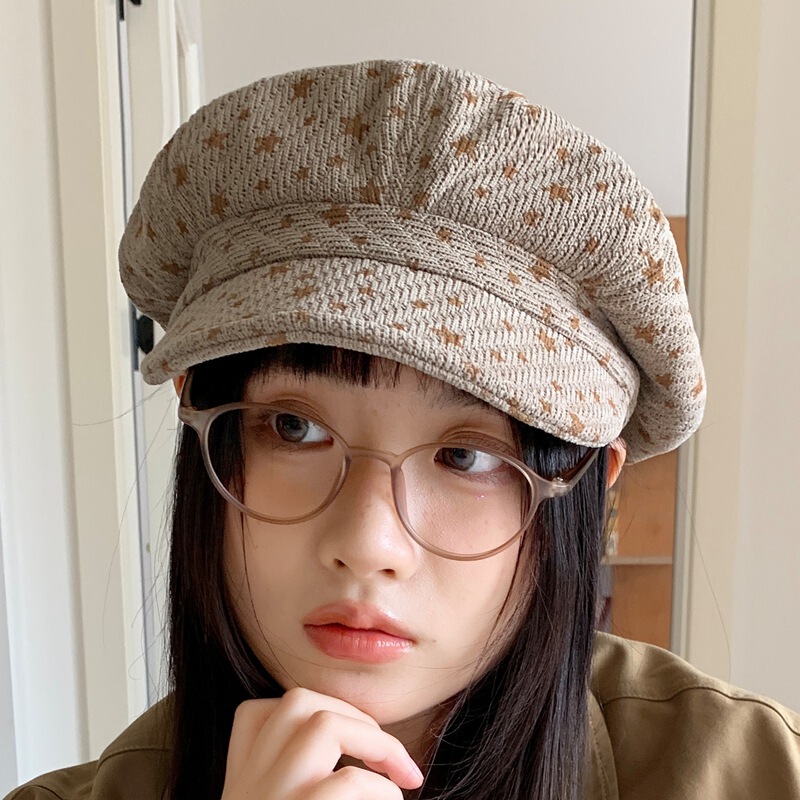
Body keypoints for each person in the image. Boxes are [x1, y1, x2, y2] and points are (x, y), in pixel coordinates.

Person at [6, 58, 800, 800]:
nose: (368, 544)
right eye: (294, 427)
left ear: (586, 483)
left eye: (464, 455)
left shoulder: (754, 773)